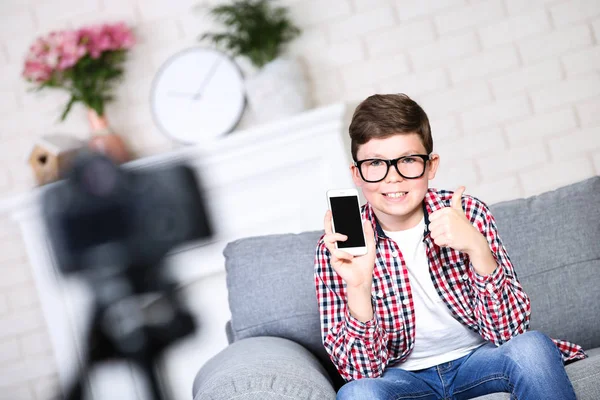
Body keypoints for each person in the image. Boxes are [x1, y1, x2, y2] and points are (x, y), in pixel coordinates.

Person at [314, 93, 586, 400]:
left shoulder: (467, 214)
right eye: (375, 163)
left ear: (431, 166)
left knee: (532, 347)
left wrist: (478, 249)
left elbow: (509, 332)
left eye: (407, 160)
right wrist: (360, 287)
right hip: (403, 380)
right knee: (356, 394)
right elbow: (361, 373)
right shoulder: (336, 249)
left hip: (479, 361)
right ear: (357, 174)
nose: (392, 177)